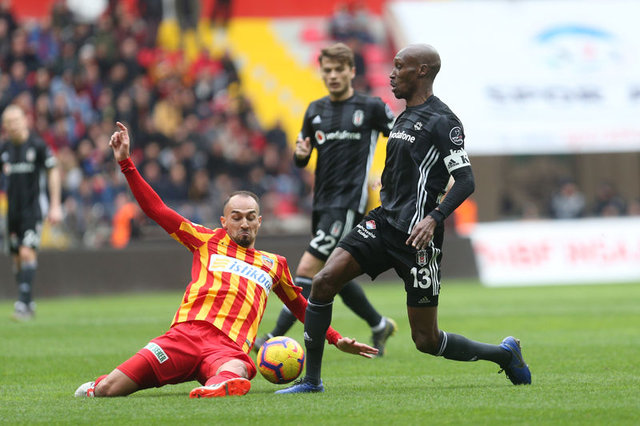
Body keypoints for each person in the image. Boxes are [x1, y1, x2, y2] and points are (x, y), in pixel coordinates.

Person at [278, 44, 531, 394]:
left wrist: (434, 217)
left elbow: (466, 180)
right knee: (323, 282)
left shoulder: (443, 121)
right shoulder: (402, 116)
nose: (392, 74)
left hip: (418, 239)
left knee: (426, 340)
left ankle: (504, 354)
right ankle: (312, 381)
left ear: (422, 71)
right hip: (382, 223)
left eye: (399, 67)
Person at [74, 122, 377, 399]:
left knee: (237, 368)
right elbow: (157, 210)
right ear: (224, 221)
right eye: (236, 217)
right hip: (183, 337)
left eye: (250, 218)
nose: (244, 223)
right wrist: (126, 163)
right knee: (109, 390)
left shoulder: (274, 264)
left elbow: (301, 306)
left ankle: (218, 385)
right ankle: (101, 385)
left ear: (259, 222)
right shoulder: (205, 240)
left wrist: (335, 338)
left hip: (228, 349)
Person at [255, 43, 397, 357]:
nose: (332, 76)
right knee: (333, 275)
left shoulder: (371, 107)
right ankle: (379, 324)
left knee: (307, 268)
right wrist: (300, 154)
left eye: (338, 70)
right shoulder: (315, 110)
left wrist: (390, 173)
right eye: (327, 70)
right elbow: (301, 157)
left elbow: (401, 138)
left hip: (348, 204)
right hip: (321, 204)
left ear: (351, 71)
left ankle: (272, 337)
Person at [0, 104, 62, 320]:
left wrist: (55, 204)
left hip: (33, 209)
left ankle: (23, 305)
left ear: (25, 121)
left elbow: (53, 171)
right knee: (17, 258)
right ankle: (27, 301)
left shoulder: (37, 145)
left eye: (17, 120)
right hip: (12, 212)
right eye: (9, 122)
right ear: (4, 126)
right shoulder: (4, 149)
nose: (14, 125)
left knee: (27, 252)